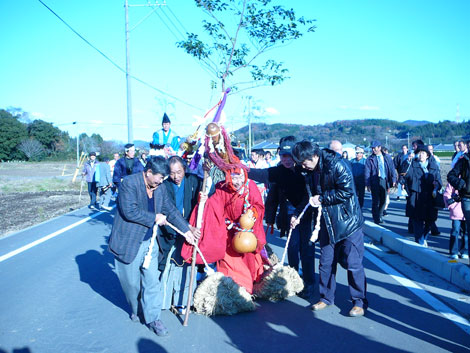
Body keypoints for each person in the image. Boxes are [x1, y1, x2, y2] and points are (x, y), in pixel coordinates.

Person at [108, 156, 200, 337]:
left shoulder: (159, 187)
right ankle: (135, 307)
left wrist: (186, 230)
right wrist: (155, 217)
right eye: (159, 178)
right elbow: (129, 211)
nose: (161, 182)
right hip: (129, 242)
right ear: (148, 173)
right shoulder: (129, 184)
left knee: (152, 282)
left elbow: (170, 210)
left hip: (150, 244)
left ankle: (153, 318)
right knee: (132, 285)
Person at [291, 140, 367, 317]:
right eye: (301, 163)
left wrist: (323, 199)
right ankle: (326, 298)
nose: (303, 166)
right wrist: (296, 215)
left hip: (349, 222)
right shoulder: (309, 172)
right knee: (325, 263)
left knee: (353, 263)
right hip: (327, 222)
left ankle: (359, 301)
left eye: (305, 162)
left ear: (314, 156)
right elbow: (309, 197)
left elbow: (347, 191)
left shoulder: (337, 164)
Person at [249, 136, 316, 300]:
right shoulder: (278, 171)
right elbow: (261, 176)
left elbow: (310, 195)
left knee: (306, 249)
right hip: (289, 216)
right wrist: (238, 167)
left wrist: (298, 213)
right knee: (293, 249)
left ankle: (309, 282)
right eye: (283, 156)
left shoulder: (305, 170)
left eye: (289, 156)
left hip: (306, 214)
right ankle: (293, 280)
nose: (286, 160)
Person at [183, 167, 267, 294]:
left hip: (247, 233)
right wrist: (204, 201)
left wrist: (253, 212)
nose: (237, 181)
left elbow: (259, 206)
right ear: (227, 177)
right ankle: (237, 290)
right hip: (228, 233)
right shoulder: (221, 188)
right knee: (231, 265)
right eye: (234, 178)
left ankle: (253, 284)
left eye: (240, 177)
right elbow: (213, 207)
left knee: (251, 261)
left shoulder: (251, 186)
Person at [160, 156, 202, 314]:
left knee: (188, 265)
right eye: (172, 173)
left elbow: (207, 192)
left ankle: (184, 301)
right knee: (170, 266)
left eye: (179, 172)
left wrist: (204, 194)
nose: (176, 176)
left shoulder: (193, 180)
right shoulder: (164, 186)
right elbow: (169, 210)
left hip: (190, 230)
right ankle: (166, 300)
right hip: (171, 231)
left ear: (185, 169)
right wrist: (187, 227)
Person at [403, 145, 442, 246]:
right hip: (417, 197)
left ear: (428, 155)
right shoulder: (413, 165)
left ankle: (423, 238)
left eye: (423, 153)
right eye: (419, 153)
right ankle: (419, 242)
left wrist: (436, 185)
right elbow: (405, 177)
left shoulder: (434, 166)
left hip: (430, 197)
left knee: (430, 220)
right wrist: (409, 190)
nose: (421, 155)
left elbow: (439, 180)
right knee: (417, 220)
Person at [447, 142, 470, 261]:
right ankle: (457, 251)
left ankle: (465, 250)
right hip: (466, 198)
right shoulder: (463, 160)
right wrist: (461, 184)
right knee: (461, 229)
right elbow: (451, 176)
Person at [364, 140, 397, 224]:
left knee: (383, 200)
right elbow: (367, 172)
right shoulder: (370, 159)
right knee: (375, 200)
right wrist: (367, 184)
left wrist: (393, 180)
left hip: (384, 180)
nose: (373, 150)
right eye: (372, 148)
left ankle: (380, 214)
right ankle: (376, 217)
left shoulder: (387, 157)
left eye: (375, 148)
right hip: (374, 180)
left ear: (379, 148)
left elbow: (392, 169)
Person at [443, 183, 467, 259]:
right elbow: (447, 193)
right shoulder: (454, 180)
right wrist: (451, 206)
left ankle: (465, 251)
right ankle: (454, 251)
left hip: (467, 210)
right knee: (455, 231)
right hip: (456, 210)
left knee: (466, 232)